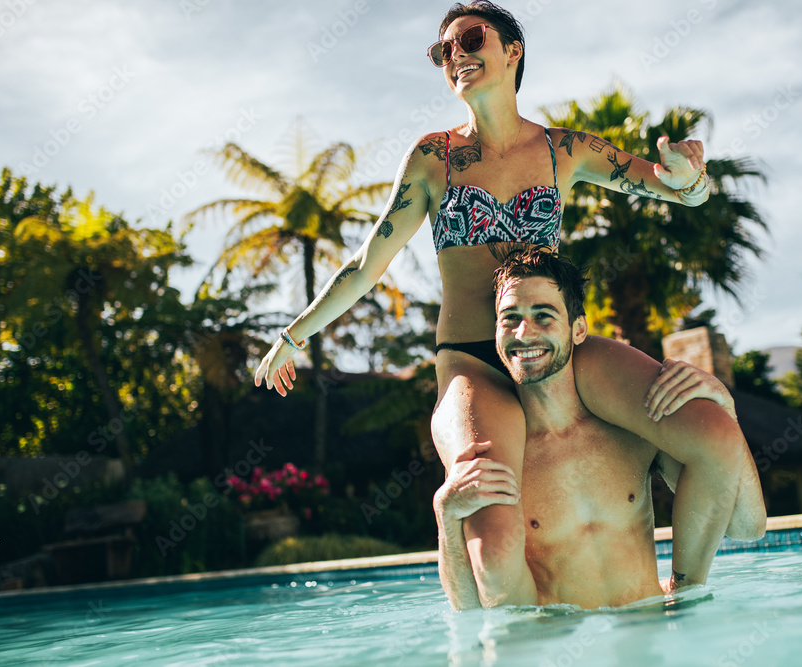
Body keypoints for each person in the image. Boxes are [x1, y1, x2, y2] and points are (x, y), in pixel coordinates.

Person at [254, 1, 743, 607]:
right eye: (443, 51)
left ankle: (687, 597)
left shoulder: (565, 151)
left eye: (471, 39)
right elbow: (364, 266)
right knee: (489, 508)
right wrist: (292, 336)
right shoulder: (433, 158)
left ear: (513, 51)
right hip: (476, 361)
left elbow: (680, 192)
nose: (456, 55)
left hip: (558, 348)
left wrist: (689, 177)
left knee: (712, 434)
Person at [433, 249, 766, 610]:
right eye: (510, 318)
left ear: (578, 330)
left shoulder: (631, 437)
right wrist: (446, 516)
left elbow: (749, 526)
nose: (524, 333)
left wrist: (725, 413)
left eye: (543, 316)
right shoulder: (500, 460)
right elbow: (471, 609)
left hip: (652, 635)